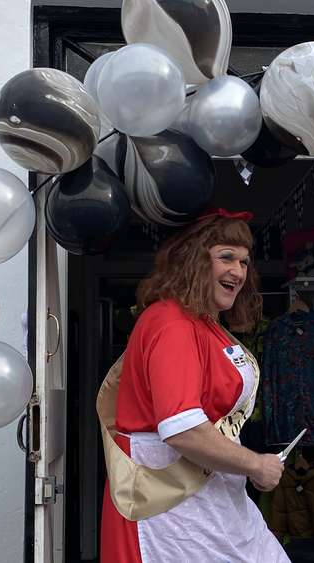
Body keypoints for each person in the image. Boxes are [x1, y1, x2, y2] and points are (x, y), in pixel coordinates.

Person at [99, 209, 289, 563]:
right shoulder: (173, 324)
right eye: (226, 257)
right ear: (195, 261)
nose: (238, 271)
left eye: (245, 262)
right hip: (173, 506)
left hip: (210, 500)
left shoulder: (202, 323)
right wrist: (255, 464)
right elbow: (182, 430)